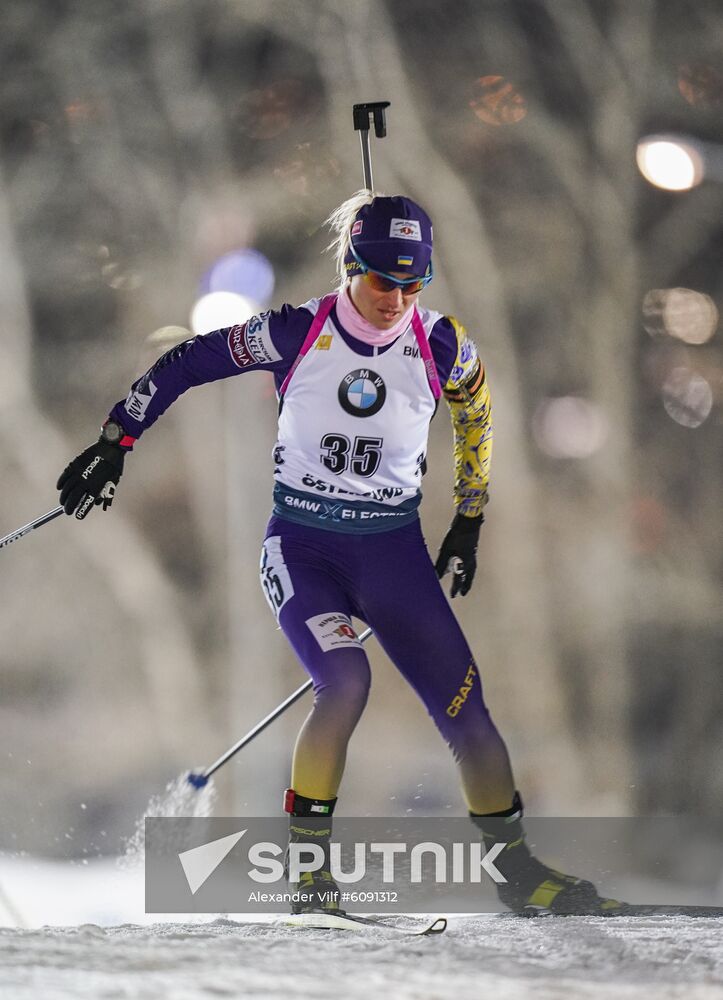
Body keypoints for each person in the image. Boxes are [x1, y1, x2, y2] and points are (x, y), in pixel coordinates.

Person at [57, 191, 621, 916]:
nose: (396, 299)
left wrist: (469, 520)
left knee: (467, 712)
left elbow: (477, 413)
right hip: (305, 548)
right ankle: (310, 877)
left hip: (393, 554)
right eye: (383, 280)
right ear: (352, 265)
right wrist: (115, 441)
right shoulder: (297, 331)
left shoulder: (442, 343)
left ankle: (517, 873)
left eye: (412, 283)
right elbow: (190, 361)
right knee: (344, 682)